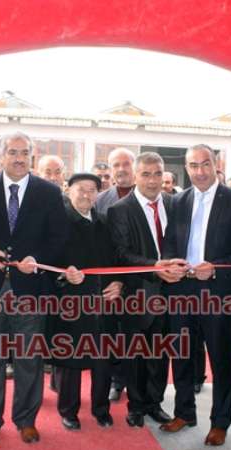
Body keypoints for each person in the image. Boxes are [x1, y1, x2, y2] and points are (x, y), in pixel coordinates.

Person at [0, 131, 68, 445]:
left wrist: (39, 259)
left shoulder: (48, 192)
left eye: (24, 153)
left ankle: (26, 420)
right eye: (12, 152)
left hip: (31, 288)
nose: (19, 158)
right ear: (1, 155)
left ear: (31, 156)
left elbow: (59, 237)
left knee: (29, 358)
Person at [158, 144, 231, 447]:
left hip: (217, 292)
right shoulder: (178, 201)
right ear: (186, 168)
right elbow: (170, 242)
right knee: (182, 355)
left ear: (215, 164)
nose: (200, 171)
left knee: (221, 358)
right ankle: (184, 413)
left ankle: (220, 422)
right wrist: (169, 263)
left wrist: (215, 269)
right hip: (181, 290)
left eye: (205, 164)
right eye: (193, 166)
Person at [48, 173, 122, 430]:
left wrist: (119, 282)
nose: (86, 195)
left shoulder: (104, 222)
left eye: (92, 190)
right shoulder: (58, 222)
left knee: (102, 358)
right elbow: (47, 260)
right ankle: (68, 410)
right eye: (81, 189)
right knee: (70, 358)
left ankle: (101, 408)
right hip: (70, 301)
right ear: (68, 190)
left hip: (103, 300)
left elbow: (117, 259)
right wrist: (63, 274)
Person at [107, 152, 173, 427]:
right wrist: (154, 267)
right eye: (146, 174)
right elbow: (121, 254)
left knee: (160, 353)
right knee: (134, 355)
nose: (152, 180)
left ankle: (154, 403)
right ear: (135, 176)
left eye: (157, 174)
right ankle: (135, 406)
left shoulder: (173, 203)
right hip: (137, 293)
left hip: (171, 292)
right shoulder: (120, 210)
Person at [94, 147, 136, 401]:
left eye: (126, 164)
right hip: (110, 282)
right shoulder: (99, 200)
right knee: (113, 334)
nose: (121, 169)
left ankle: (140, 386)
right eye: (116, 165)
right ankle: (116, 380)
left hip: (142, 280)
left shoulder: (150, 196)